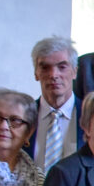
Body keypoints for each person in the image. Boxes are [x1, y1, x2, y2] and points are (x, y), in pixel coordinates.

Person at [28, 36, 83, 171]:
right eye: (45, 68)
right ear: (36, 73)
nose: (53, 75)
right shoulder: (23, 117)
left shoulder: (90, 115)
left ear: (75, 71)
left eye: (62, 67)